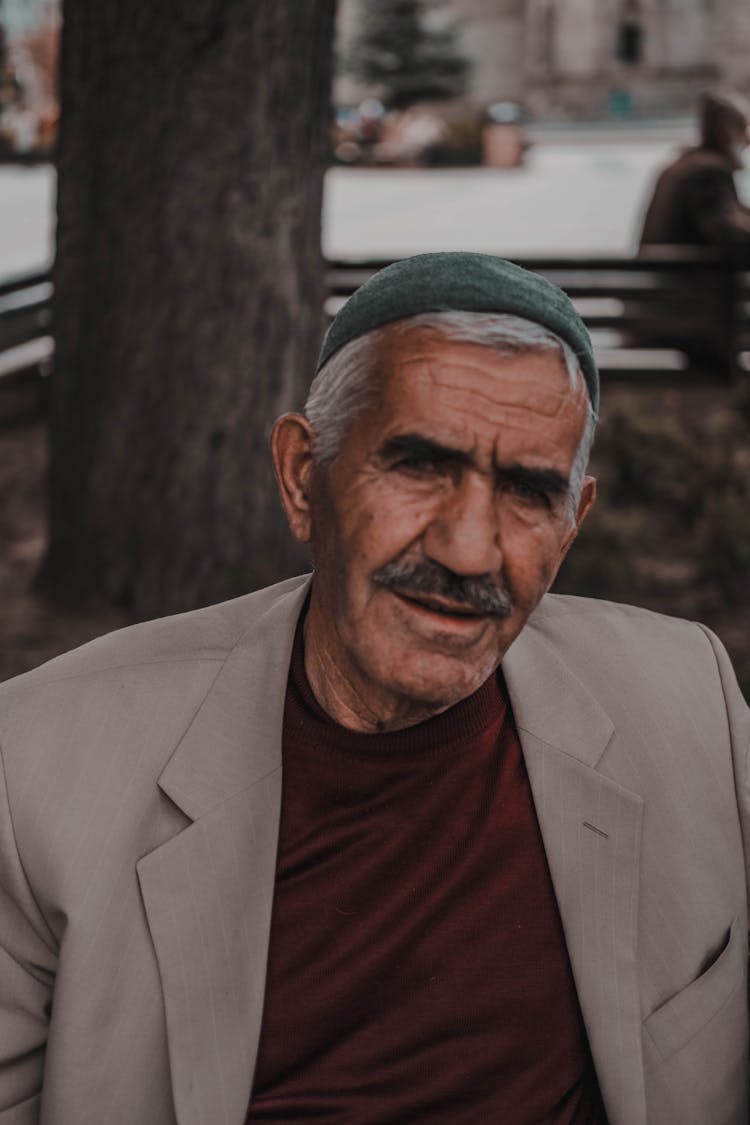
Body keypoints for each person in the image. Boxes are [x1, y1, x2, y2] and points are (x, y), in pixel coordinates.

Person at [0, 252, 748, 1125]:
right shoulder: (43, 768)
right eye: (419, 465)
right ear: (301, 477)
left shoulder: (688, 698)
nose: (471, 549)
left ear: (572, 522)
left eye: (527, 491)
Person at [639, 89, 750, 260]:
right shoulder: (708, 172)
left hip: (662, 278)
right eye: (743, 129)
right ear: (727, 133)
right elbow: (729, 233)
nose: (746, 141)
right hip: (683, 282)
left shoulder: (682, 166)